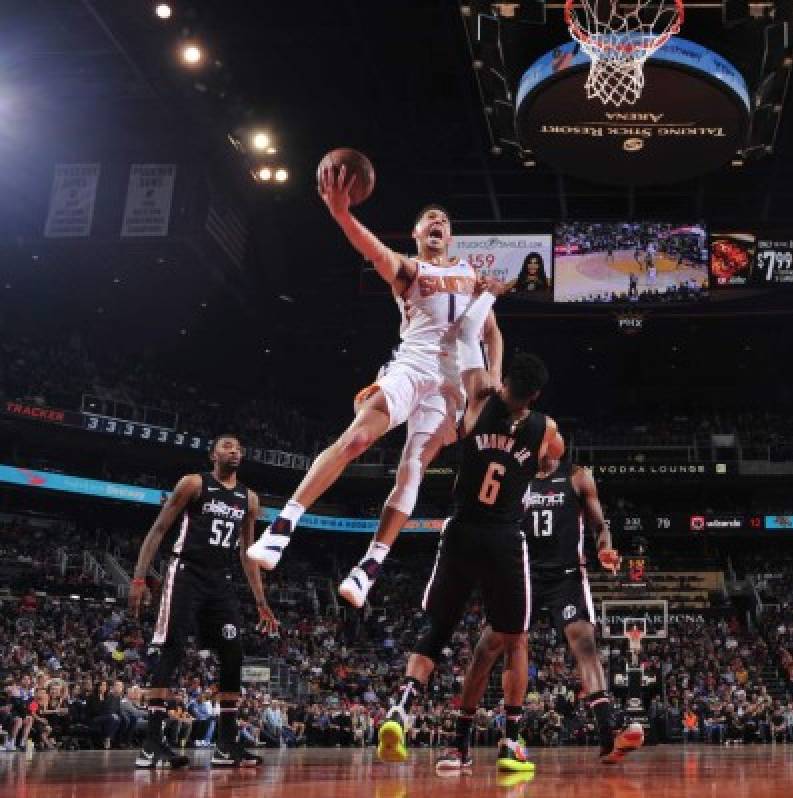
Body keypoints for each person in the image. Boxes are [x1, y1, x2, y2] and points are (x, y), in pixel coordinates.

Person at [247, 169, 503, 609]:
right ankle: (283, 525)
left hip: (452, 387)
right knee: (358, 437)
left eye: (443, 218)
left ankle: (370, 566)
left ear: (451, 233)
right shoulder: (409, 268)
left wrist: (493, 377)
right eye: (429, 219)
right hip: (412, 365)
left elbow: (491, 332)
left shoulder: (469, 274)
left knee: (414, 469)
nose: (437, 221)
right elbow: (373, 249)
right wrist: (344, 216)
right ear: (419, 233)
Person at [376, 282, 565, 774]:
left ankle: (412, 713)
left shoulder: (479, 399)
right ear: (537, 394)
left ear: (506, 385)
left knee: (436, 624)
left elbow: (485, 335)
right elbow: (551, 458)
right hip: (505, 539)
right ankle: (511, 742)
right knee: (516, 640)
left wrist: (487, 298)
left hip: (460, 530)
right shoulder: (546, 430)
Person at [129, 433, 279, 769]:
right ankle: (152, 744)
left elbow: (247, 553)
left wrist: (261, 600)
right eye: (228, 446)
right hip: (185, 572)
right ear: (213, 454)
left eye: (240, 448)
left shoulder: (249, 499)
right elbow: (158, 529)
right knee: (173, 649)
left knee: (233, 652)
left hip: (220, 581)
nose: (235, 451)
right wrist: (139, 578)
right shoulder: (194, 484)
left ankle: (226, 745)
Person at [499, 458, 643, 763]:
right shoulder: (514, 474)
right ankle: (505, 736)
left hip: (566, 576)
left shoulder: (577, 476)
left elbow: (599, 525)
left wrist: (605, 547)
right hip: (523, 573)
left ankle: (608, 734)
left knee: (585, 642)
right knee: (503, 643)